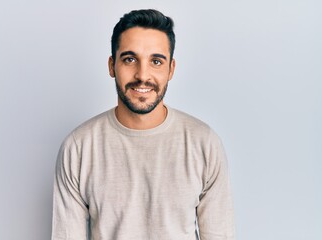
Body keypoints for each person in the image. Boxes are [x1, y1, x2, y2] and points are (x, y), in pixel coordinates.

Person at [51, 9, 235, 240]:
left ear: (171, 70)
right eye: (130, 59)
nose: (142, 75)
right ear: (111, 66)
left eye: (156, 61)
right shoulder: (78, 148)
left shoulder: (203, 143)